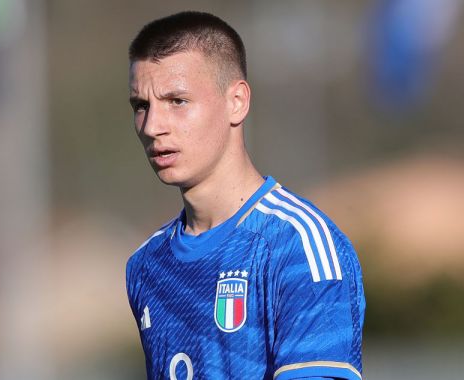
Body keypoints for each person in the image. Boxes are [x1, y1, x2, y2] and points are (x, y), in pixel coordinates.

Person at [125, 11, 365, 380]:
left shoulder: (298, 247)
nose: (153, 126)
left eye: (177, 101)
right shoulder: (146, 265)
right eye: (142, 106)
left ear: (237, 101)